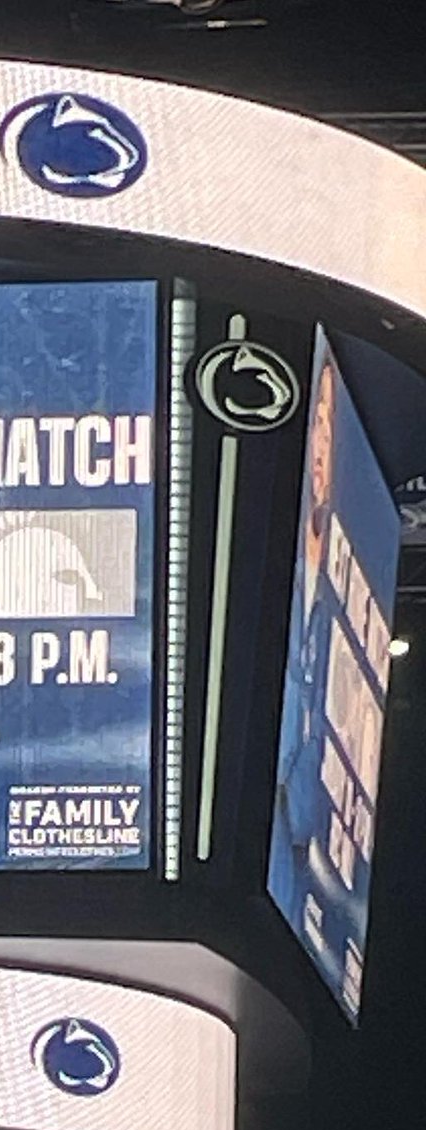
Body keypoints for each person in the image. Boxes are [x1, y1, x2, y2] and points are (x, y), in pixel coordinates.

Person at [270, 357, 337, 918]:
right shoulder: (281, 582)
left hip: (292, 874)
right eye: (317, 422)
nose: (321, 445)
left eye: (330, 428)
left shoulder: (340, 604)